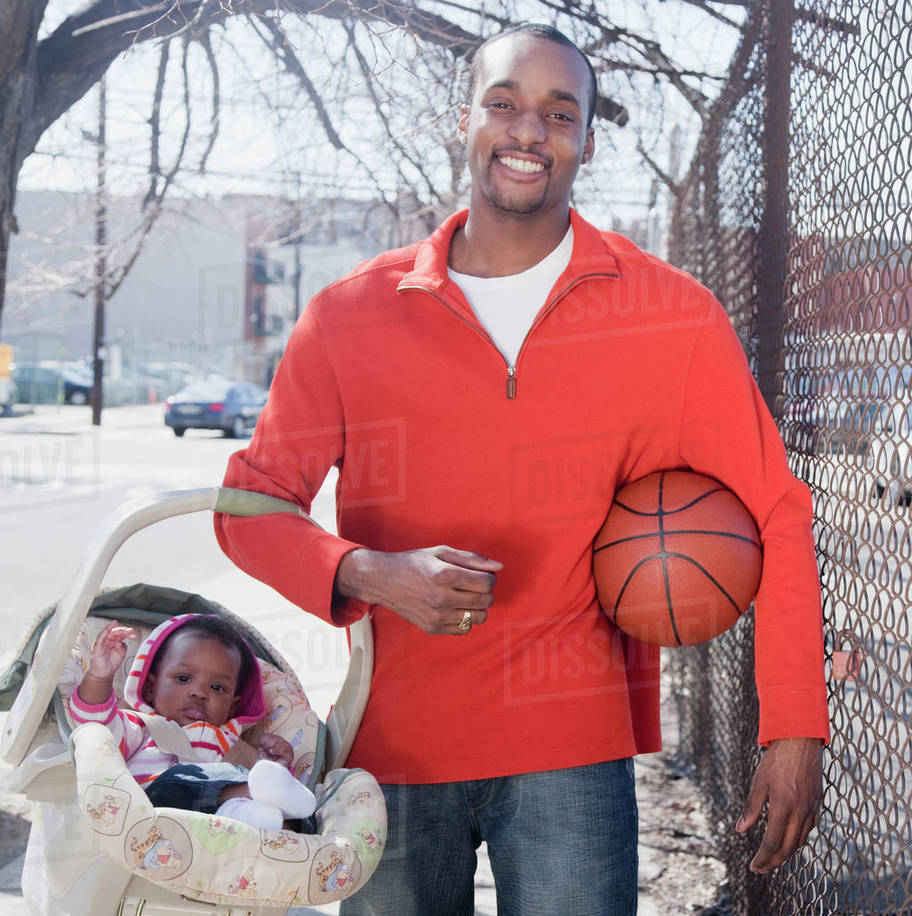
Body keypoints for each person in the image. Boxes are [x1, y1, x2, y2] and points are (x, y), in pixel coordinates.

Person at [215, 22, 829, 914]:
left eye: (559, 111)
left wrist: (795, 726)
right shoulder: (348, 317)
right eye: (504, 103)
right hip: (391, 751)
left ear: (585, 138)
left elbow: (776, 508)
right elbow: (248, 505)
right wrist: (367, 573)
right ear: (465, 119)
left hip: (571, 748)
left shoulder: (670, 317)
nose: (529, 130)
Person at [67, 614, 317, 830]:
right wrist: (100, 676)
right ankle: (248, 794)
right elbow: (94, 727)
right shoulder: (140, 728)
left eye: (217, 687)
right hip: (157, 819)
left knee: (302, 817)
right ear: (152, 686)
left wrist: (274, 766)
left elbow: (267, 780)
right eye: (183, 678)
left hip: (227, 831)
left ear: (232, 705)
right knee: (175, 782)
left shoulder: (233, 745)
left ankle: (267, 814)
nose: (199, 692)